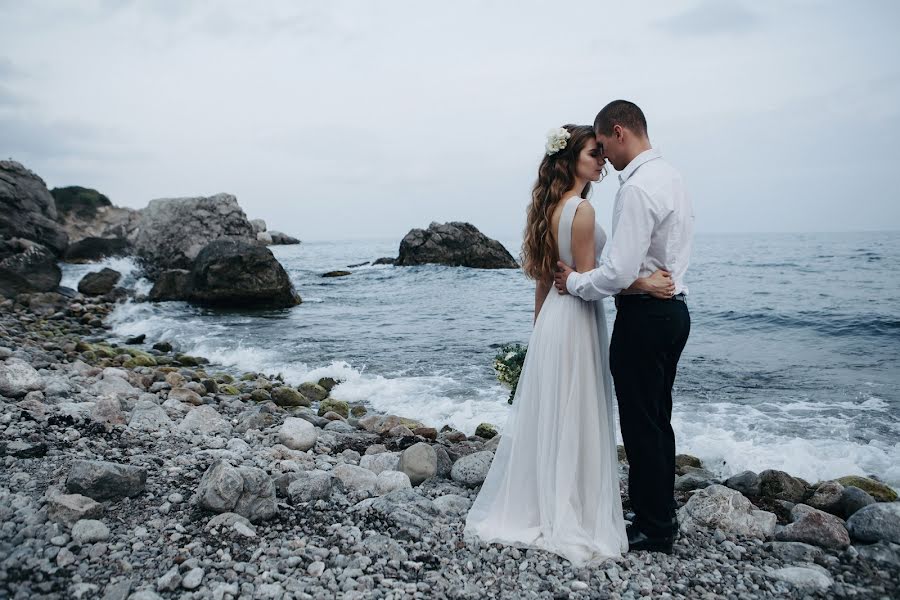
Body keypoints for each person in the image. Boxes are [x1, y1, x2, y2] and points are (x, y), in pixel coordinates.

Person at [463, 124, 674, 566]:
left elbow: (545, 282)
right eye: (593, 154)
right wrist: (646, 283)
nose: (601, 161)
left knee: (556, 409)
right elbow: (590, 280)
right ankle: (571, 506)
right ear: (570, 159)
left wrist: (539, 335)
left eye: (602, 153)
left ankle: (547, 496)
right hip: (577, 318)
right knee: (577, 410)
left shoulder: (546, 208)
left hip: (554, 321)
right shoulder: (581, 212)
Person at [553, 100, 694, 554]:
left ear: (618, 132)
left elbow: (615, 274)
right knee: (657, 420)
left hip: (646, 317)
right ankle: (659, 512)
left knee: (640, 424)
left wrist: (573, 281)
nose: (607, 160)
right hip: (674, 314)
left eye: (605, 148)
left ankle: (653, 527)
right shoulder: (670, 176)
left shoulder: (636, 189)